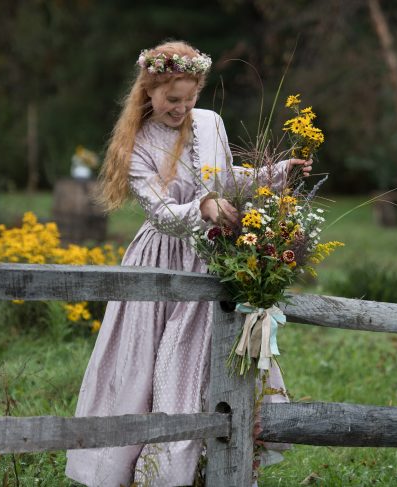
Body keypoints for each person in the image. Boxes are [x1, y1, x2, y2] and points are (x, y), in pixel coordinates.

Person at [65, 40, 312, 487]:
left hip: (214, 256)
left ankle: (216, 465)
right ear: (148, 91)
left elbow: (225, 178)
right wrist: (202, 208)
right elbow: (161, 213)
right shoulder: (136, 144)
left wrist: (275, 174)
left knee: (210, 360)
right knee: (152, 365)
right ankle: (150, 471)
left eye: (189, 97)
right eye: (170, 99)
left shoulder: (210, 123)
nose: (180, 108)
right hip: (163, 261)